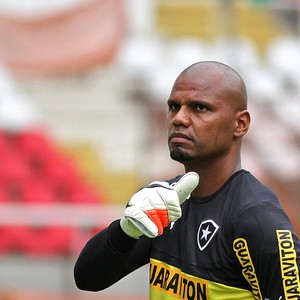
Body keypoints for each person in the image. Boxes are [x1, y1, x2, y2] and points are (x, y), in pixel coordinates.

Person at [74, 61, 300, 299]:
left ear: (240, 124)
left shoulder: (257, 218)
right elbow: (88, 279)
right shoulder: (164, 201)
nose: (178, 119)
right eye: (173, 106)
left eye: (199, 108)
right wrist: (125, 231)